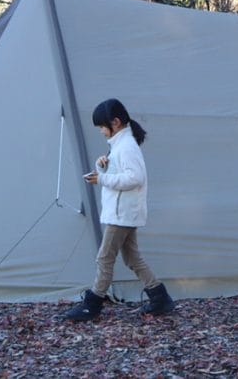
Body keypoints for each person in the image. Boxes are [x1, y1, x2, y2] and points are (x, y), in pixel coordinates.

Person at [65, 98, 175, 322]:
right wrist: (102, 167)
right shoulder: (121, 145)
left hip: (122, 214)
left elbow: (135, 178)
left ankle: (93, 304)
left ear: (115, 122)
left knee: (105, 258)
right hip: (123, 212)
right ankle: (159, 297)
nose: (101, 132)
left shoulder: (126, 147)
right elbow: (122, 174)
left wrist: (103, 178)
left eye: (102, 127)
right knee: (132, 258)